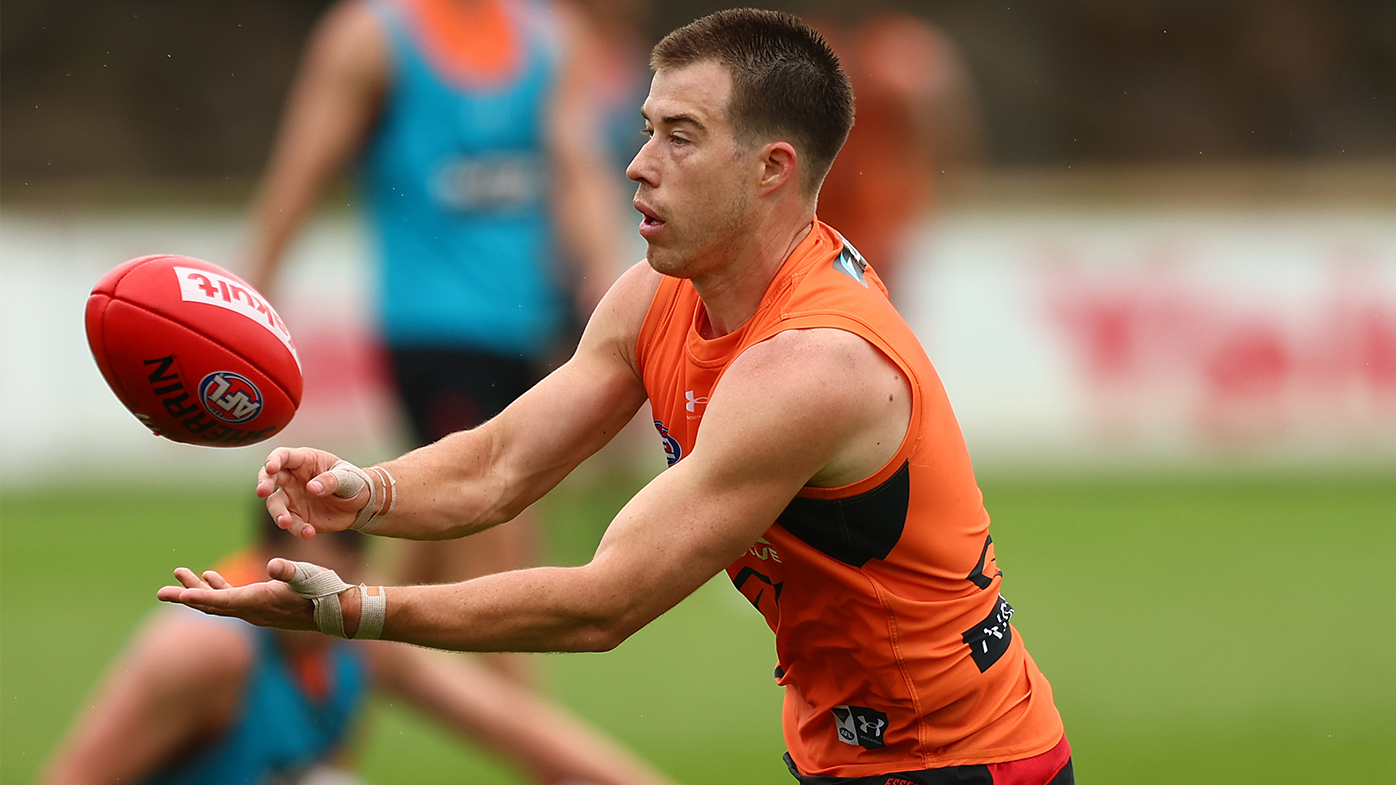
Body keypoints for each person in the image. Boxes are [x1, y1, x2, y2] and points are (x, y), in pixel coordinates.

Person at [162, 10, 1073, 784]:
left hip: (962, 759)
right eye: (643, 128)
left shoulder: (814, 365)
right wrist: (364, 490)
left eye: (680, 136)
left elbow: (603, 605)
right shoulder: (658, 294)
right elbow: (500, 461)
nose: (636, 164)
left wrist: (348, 609)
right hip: (843, 747)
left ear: (771, 169)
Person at [243, 0, 628, 676]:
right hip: (432, 332)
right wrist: (248, 305)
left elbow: (577, 167)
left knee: (429, 545)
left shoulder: (552, 38)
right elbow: (298, 174)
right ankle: (550, 764)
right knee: (499, 546)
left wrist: (607, 283)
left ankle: (334, 682)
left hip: (523, 335)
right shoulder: (371, 39)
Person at [43, 513, 676, 785]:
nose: (349, 571)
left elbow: (516, 727)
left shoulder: (351, 637)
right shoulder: (205, 654)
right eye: (335, 546)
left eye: (358, 547)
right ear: (274, 550)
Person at [809, 2, 983, 296]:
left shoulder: (902, 46)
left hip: (880, 212)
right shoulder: (812, 41)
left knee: (870, 301)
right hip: (825, 208)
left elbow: (943, 121)